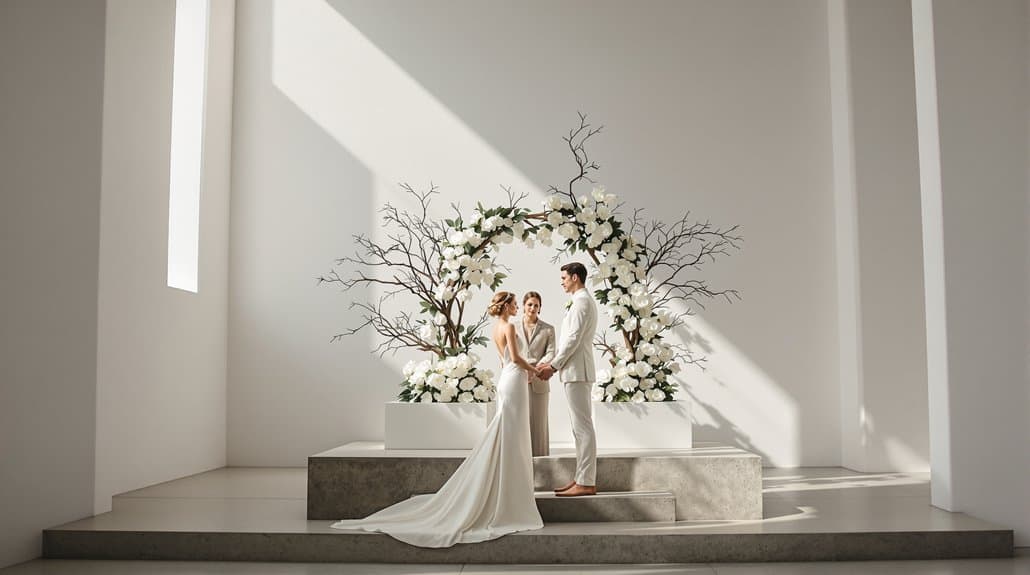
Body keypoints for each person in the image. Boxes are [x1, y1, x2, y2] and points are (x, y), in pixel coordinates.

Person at [330, 291, 544, 547]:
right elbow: (517, 358)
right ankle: (508, 490)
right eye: (515, 304)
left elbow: (505, 361)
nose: (518, 307)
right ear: (506, 306)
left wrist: (523, 372)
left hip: (508, 378)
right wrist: (534, 370)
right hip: (515, 378)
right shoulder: (508, 326)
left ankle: (504, 484)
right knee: (512, 432)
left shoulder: (496, 327)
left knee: (508, 431)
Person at [537, 262, 599, 497]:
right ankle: (581, 478)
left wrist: (553, 366)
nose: (561, 282)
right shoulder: (579, 301)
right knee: (579, 428)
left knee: (582, 427)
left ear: (575, 277)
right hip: (574, 370)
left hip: (578, 370)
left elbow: (573, 339)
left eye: (564, 277)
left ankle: (586, 482)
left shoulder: (582, 302)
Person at [515, 291, 557, 457]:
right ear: (523, 306)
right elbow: (510, 352)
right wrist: (524, 368)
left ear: (540, 308)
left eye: (536, 305)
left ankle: (541, 459)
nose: (532, 308)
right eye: (529, 304)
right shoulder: (513, 327)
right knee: (519, 421)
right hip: (518, 378)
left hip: (540, 379)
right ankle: (520, 459)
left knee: (539, 423)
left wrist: (535, 368)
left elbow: (551, 353)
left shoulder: (548, 329)